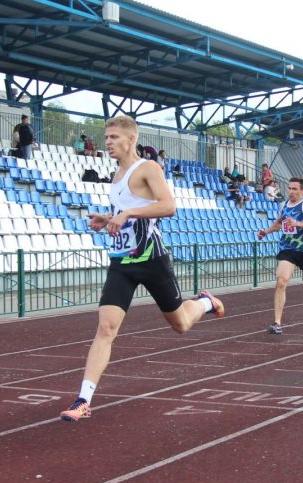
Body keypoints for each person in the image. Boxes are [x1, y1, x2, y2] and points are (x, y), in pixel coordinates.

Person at [59, 115, 225, 423]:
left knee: (180, 324)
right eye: (106, 137)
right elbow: (126, 214)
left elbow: (168, 206)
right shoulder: (116, 175)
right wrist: (108, 219)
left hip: (152, 260)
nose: (107, 142)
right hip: (122, 262)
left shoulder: (148, 168)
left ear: (130, 139)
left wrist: (128, 213)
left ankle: (205, 301)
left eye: (112, 137)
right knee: (106, 327)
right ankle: (83, 399)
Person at [256, 177, 303, 334]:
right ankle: (277, 323)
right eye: (289, 188)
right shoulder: (284, 205)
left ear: (302, 191)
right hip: (287, 249)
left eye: (294, 189)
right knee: (281, 281)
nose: (290, 191)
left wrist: (297, 224)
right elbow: (278, 223)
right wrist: (266, 232)